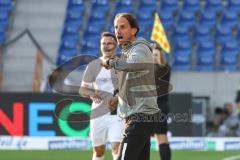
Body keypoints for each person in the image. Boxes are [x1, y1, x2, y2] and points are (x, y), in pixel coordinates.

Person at [102, 13, 160, 160]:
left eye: (122, 27)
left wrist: (110, 62)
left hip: (141, 116)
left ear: (134, 30)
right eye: (116, 27)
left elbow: (131, 66)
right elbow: (130, 81)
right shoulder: (128, 51)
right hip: (139, 116)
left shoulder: (140, 48)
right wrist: (117, 97)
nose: (118, 31)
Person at [79, 32, 124, 160]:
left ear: (116, 46)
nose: (106, 46)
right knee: (98, 152)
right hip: (97, 113)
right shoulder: (93, 65)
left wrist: (118, 97)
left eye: (109, 43)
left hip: (117, 113)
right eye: (103, 43)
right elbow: (83, 90)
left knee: (117, 149)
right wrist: (91, 93)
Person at [152, 43, 172, 160]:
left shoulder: (164, 69)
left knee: (161, 138)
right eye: (152, 55)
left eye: (156, 55)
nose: (154, 57)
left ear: (161, 56)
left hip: (160, 107)